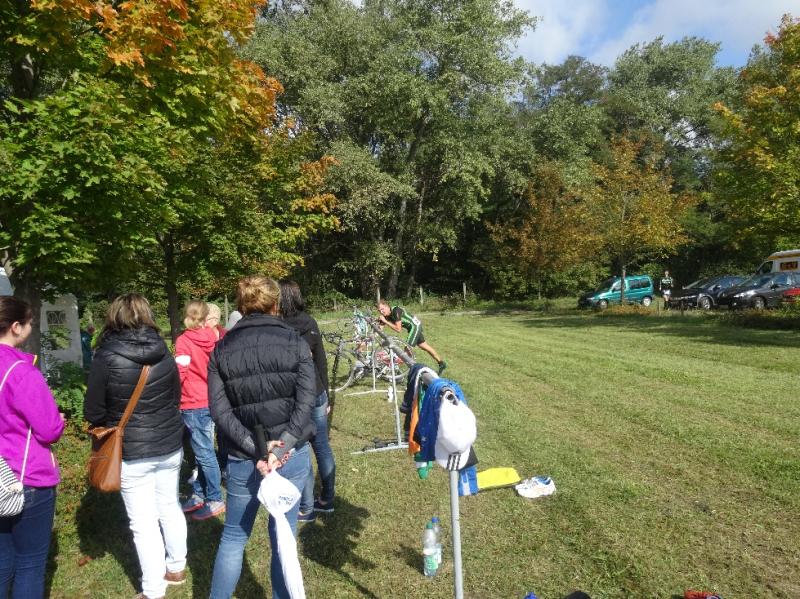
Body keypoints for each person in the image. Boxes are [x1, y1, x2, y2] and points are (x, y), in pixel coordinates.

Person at [208, 276, 316, 599]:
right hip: (283, 454)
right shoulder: (294, 342)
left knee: (234, 537)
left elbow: (219, 411)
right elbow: (306, 401)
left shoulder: (222, 348)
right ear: (275, 303)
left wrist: (258, 447)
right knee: (282, 534)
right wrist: (281, 445)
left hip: (248, 456)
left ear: (241, 306)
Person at [84, 294, 187, 599]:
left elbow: (93, 411)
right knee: (169, 505)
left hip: (132, 449)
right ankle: (176, 567)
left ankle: (153, 589)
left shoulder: (105, 356)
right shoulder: (164, 350)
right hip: (169, 443)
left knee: (143, 522)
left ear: (114, 316)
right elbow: (175, 396)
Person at [0, 297, 65, 599]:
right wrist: (58, 419)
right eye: (28, 323)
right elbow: (49, 429)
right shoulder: (21, 371)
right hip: (25, 477)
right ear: (16, 327)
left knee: (2, 561)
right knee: (30, 562)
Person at [278, 280, 336, 523]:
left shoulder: (277, 326)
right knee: (321, 445)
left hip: (295, 395)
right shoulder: (309, 322)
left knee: (301, 447)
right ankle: (326, 499)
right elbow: (321, 361)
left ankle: (308, 505)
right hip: (315, 391)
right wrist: (326, 393)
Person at [175, 301, 225, 521]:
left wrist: (171, 394)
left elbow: (180, 373)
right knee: (203, 450)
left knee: (204, 453)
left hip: (192, 402)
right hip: (211, 399)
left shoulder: (184, 341)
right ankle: (198, 494)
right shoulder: (213, 338)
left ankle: (214, 499)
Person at [377, 300, 447, 374]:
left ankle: (409, 369)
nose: (381, 312)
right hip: (412, 327)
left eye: (382, 309)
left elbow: (398, 329)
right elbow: (379, 329)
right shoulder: (386, 316)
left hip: (414, 326)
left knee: (407, 350)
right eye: (379, 311)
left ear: (387, 306)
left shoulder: (396, 311)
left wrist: (385, 321)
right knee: (424, 346)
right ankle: (441, 363)